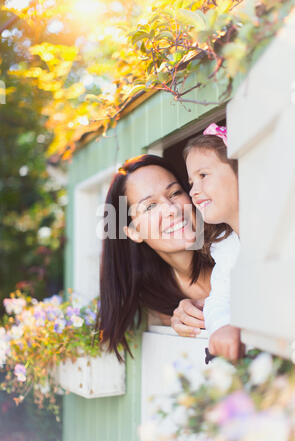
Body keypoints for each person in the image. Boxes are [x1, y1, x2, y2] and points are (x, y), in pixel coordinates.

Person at [96, 154, 228, 360]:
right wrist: (179, 317)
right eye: (150, 206)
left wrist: (210, 304)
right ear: (133, 232)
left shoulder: (231, 245)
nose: (171, 209)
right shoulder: (155, 302)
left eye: (175, 193)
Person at [172, 123, 244, 361]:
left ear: (242, 170)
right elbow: (218, 300)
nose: (193, 191)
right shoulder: (227, 249)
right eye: (191, 183)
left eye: (203, 176)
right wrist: (223, 326)